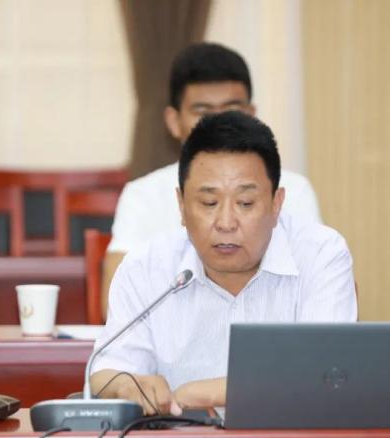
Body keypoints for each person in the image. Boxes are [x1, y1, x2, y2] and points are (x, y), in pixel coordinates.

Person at [90, 111, 357, 415]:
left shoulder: (320, 255)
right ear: (181, 205)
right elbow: (106, 371)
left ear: (276, 204)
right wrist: (126, 385)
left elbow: (327, 372)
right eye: (209, 203)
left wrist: (197, 394)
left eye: (245, 203)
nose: (226, 222)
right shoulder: (146, 269)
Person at [102, 43, 322, 314]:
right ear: (174, 121)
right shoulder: (143, 195)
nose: (219, 123)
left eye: (231, 109)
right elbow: (115, 305)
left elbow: (318, 289)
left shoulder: (294, 190)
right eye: (203, 112)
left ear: (251, 114)